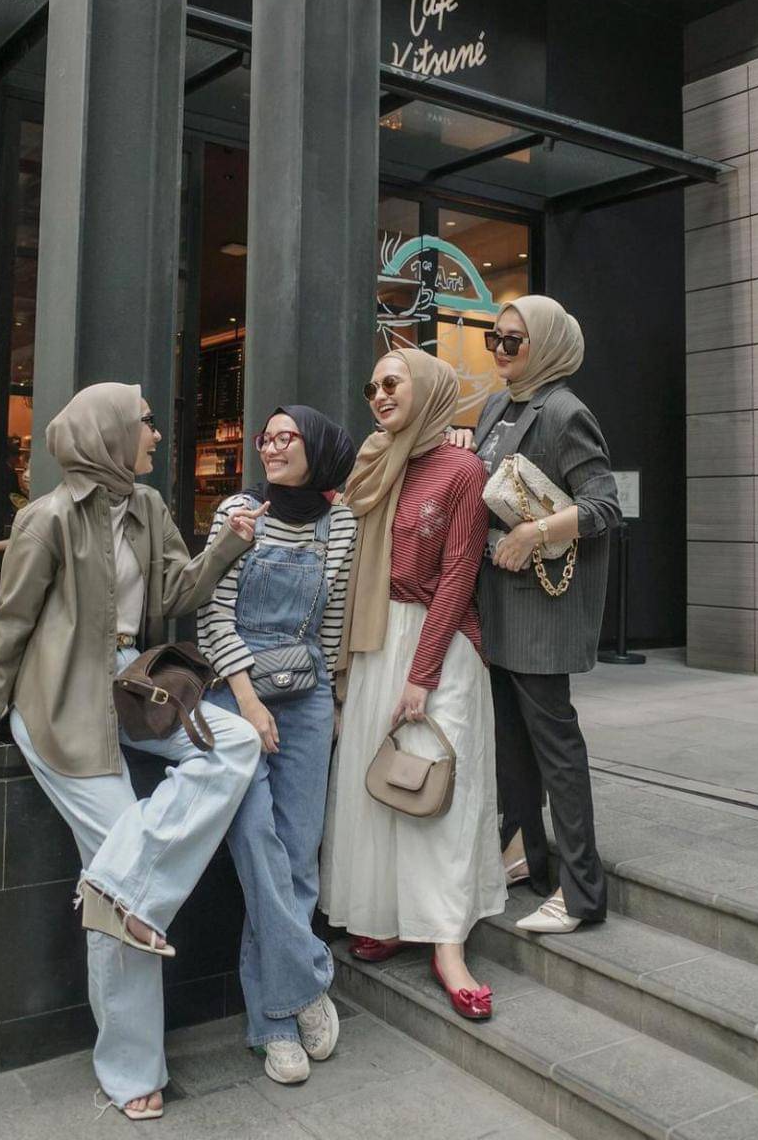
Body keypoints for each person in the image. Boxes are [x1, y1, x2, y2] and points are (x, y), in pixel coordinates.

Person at [0, 382, 265, 1122]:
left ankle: (121, 887)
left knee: (232, 742)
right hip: (61, 702)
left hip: (132, 687)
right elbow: (8, 625)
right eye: (145, 422)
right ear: (109, 433)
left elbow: (177, 592)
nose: (156, 434)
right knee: (123, 863)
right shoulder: (46, 518)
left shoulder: (150, 507)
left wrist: (229, 544)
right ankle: (131, 1069)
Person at [320, 348, 506, 1021]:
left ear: (425, 388)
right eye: (372, 386)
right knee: (383, 786)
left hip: (439, 642)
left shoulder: (463, 468)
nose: (379, 395)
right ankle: (393, 917)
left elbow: (459, 573)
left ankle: (447, 943)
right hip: (375, 639)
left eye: (393, 383)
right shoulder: (376, 462)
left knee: (442, 794)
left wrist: (422, 674)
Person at [448, 295, 621, 934]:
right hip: (495, 602)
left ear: (544, 345)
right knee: (510, 744)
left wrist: (536, 532)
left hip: (541, 613)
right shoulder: (497, 406)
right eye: (493, 338)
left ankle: (582, 893)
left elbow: (604, 507)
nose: (499, 349)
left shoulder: (566, 413)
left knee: (556, 750)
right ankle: (526, 853)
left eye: (512, 341)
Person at [197, 406, 357, 1085]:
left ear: (317, 448)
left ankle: (273, 1022)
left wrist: (333, 700)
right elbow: (211, 614)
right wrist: (250, 701)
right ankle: (306, 983)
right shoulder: (238, 512)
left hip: (309, 693)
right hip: (235, 692)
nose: (272, 445)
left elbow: (333, 618)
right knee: (258, 843)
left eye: (288, 436)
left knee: (298, 854)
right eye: (267, 436)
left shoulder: (341, 524)